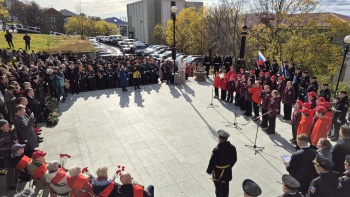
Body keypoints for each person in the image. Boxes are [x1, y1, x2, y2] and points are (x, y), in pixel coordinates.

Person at [207, 130, 237, 197]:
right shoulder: (232, 147)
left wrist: (209, 171)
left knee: (218, 190)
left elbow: (212, 163)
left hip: (218, 174)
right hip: (227, 172)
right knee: (226, 188)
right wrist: (228, 167)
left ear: (220, 139)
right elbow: (235, 159)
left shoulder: (216, 151)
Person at [0, 119, 17, 191]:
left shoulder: (8, 131)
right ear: (2, 127)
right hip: (5, 156)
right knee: (10, 170)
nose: (8, 125)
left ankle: (16, 179)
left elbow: (13, 138)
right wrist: (12, 146)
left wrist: (16, 141)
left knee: (15, 167)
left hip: (13, 153)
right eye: (7, 125)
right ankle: (10, 184)